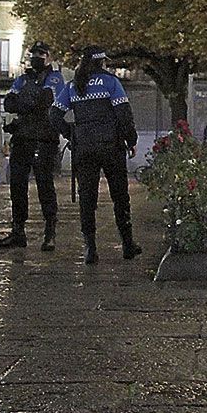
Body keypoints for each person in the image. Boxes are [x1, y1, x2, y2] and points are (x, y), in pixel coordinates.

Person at [51, 46, 141, 264]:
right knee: (120, 196)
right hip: (112, 146)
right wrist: (131, 140)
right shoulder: (111, 83)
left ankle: (90, 249)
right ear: (102, 62)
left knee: (87, 199)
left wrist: (71, 134)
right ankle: (128, 244)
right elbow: (124, 114)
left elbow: (54, 114)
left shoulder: (74, 86)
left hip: (84, 148)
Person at [0, 42, 67, 251]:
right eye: (34, 54)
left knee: (45, 185)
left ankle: (50, 232)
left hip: (44, 139)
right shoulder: (22, 78)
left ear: (49, 57)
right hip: (22, 137)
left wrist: (24, 104)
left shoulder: (55, 78)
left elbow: (46, 101)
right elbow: (9, 102)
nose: (37, 57)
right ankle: (18, 231)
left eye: (42, 54)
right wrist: (28, 104)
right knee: (17, 185)